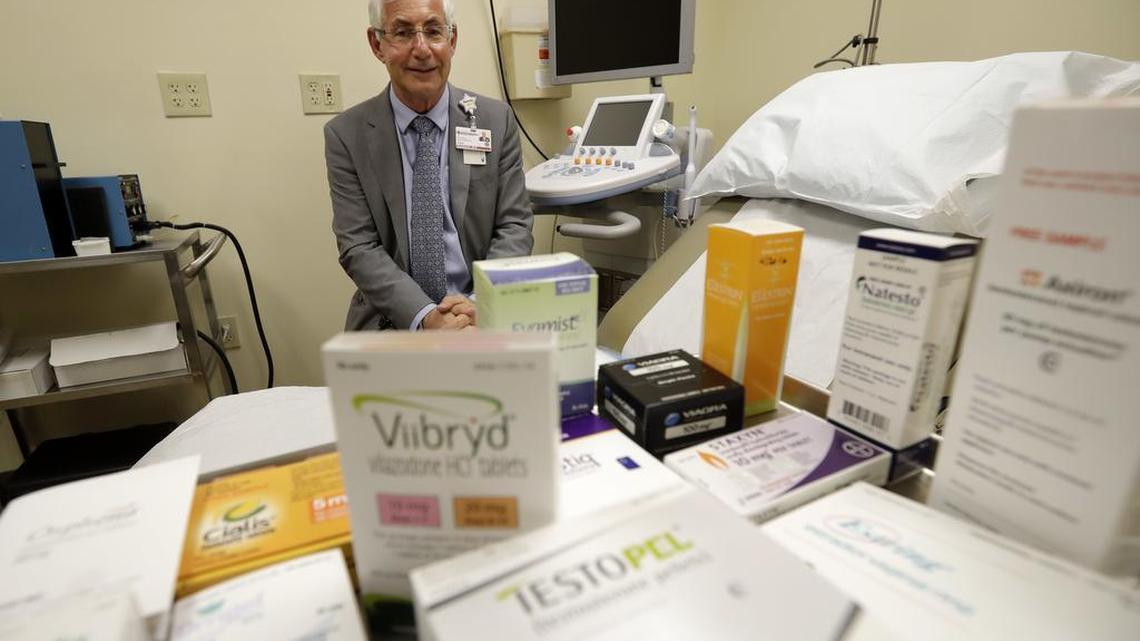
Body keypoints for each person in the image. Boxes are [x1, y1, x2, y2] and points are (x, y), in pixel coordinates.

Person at [325, 0, 534, 331]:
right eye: (403, 32)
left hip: (482, 312)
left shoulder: (496, 121)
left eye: (434, 31)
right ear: (377, 43)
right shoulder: (346, 136)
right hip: (394, 321)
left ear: (451, 40)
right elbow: (358, 246)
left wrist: (478, 304)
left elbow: (514, 225)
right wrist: (425, 316)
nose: (421, 49)